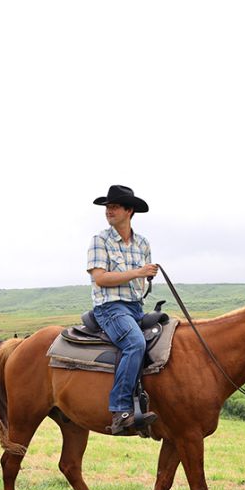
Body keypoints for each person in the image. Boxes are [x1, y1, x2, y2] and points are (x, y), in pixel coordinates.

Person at [86, 185, 159, 435]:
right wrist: (139, 272)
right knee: (135, 344)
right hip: (110, 308)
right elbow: (101, 278)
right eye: (107, 207)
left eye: (114, 206)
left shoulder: (143, 243)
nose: (109, 211)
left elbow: (140, 282)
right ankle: (120, 410)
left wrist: (146, 276)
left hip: (136, 307)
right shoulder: (100, 240)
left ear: (129, 211)